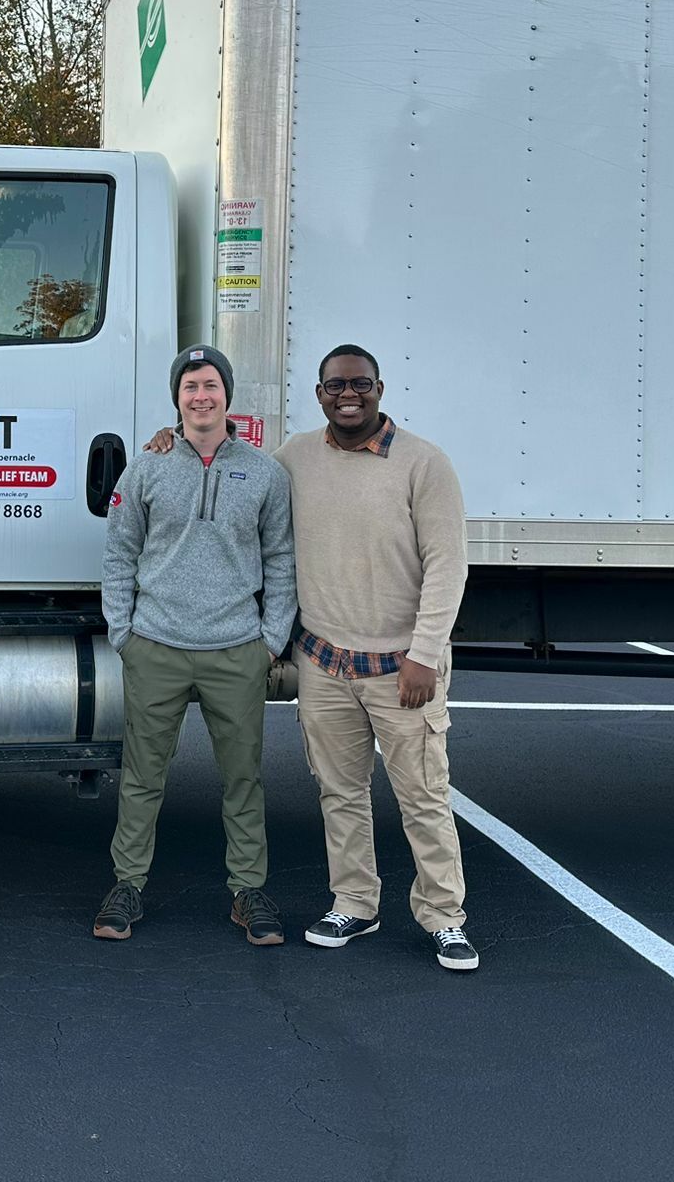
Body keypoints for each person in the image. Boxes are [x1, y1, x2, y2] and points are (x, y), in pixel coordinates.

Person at [280, 345, 477, 970]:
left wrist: (425, 654)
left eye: (359, 384)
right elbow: (228, 469)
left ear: (380, 388)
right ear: (318, 394)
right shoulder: (294, 459)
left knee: (422, 797)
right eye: (335, 385)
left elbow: (448, 564)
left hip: (402, 669)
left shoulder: (424, 464)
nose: (348, 395)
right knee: (339, 793)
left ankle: (444, 918)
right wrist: (169, 438)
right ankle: (355, 905)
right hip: (324, 663)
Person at [94, 344, 297, 946]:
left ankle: (248, 891)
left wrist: (270, 640)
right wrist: (123, 632)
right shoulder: (148, 466)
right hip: (155, 644)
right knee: (141, 776)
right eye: (190, 387)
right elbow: (119, 550)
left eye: (211, 385)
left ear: (227, 394)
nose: (201, 396)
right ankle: (127, 884)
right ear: (177, 398)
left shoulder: (264, 472)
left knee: (243, 778)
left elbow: (283, 558)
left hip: (237, 649)